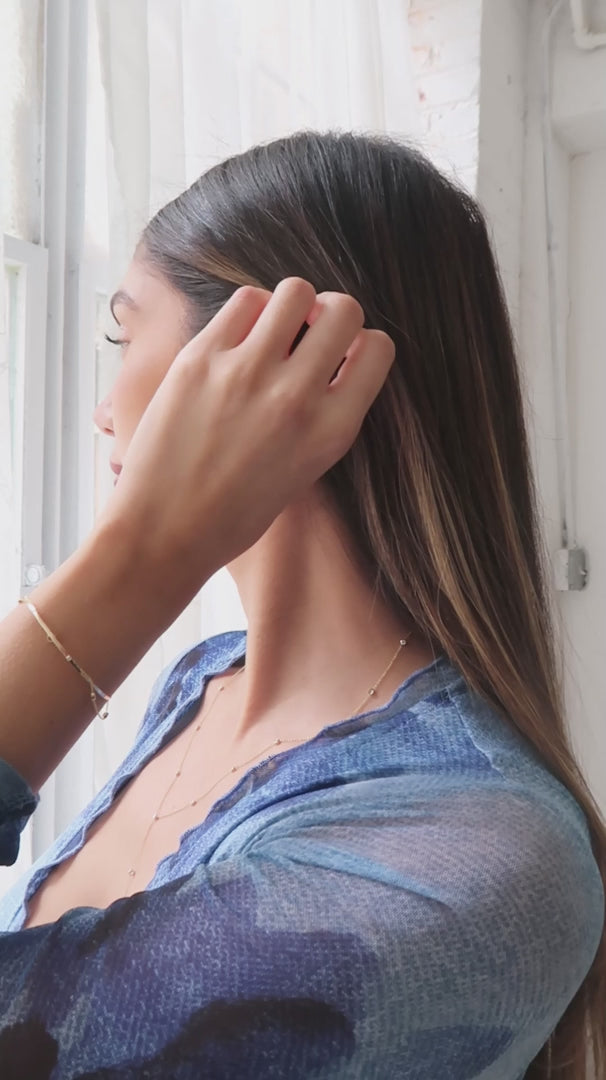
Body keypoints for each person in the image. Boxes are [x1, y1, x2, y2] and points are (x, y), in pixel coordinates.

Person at [0, 131, 603, 1080]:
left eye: (125, 335)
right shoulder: (206, 683)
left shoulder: (472, 849)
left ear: (275, 370)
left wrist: (141, 559)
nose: (103, 407)